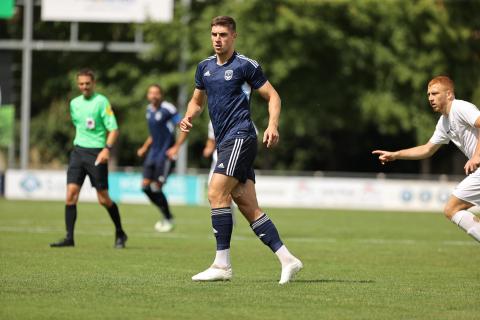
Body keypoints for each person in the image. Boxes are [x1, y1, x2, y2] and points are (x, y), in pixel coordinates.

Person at [179, 16, 303, 284]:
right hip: (225, 140)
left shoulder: (245, 66)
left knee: (215, 191)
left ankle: (222, 265)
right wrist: (189, 116)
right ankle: (287, 259)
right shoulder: (204, 68)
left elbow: (273, 96)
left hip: (241, 137)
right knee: (247, 205)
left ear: (233, 36)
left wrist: (273, 125)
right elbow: (197, 101)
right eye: (214, 34)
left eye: (223, 34)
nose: (217, 39)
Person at [373, 76, 480, 243]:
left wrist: (477, 156)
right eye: (429, 94)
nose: (430, 98)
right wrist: (395, 155)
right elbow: (427, 149)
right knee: (455, 209)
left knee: (452, 208)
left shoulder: (460, 107)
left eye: (435, 93)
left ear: (449, 94)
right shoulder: (444, 122)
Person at [50, 68, 128, 248]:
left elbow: (113, 129)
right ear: (78, 85)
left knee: (103, 199)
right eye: (81, 84)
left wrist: (106, 149)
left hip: (96, 153)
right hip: (78, 152)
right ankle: (69, 238)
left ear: (93, 83)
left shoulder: (102, 102)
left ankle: (120, 232)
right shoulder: (74, 103)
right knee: (70, 194)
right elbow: (79, 125)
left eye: (87, 83)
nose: (84, 86)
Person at [137, 84, 187, 232]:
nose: (153, 96)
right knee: (145, 187)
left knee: (157, 187)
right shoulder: (148, 110)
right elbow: (154, 133)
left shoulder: (168, 109)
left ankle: (167, 218)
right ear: (148, 95)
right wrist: (145, 147)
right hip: (152, 154)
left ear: (161, 95)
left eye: (156, 93)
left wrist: (176, 147)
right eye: (151, 93)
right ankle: (167, 215)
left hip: (165, 155)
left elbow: (183, 126)